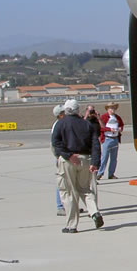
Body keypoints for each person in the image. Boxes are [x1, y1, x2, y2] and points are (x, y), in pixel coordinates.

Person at [51, 99, 104, 233]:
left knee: (68, 192)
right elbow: (96, 145)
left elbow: (56, 143)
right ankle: (94, 212)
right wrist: (95, 162)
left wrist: (68, 155)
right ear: (78, 110)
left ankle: (72, 225)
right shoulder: (87, 124)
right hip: (85, 159)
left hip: (68, 161)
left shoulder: (60, 124)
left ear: (66, 110)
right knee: (85, 189)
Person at [97, 102, 124, 180]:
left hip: (115, 139)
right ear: (107, 109)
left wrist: (120, 129)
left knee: (114, 158)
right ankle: (100, 173)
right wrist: (109, 129)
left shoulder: (117, 117)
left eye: (114, 108)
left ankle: (111, 174)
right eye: (111, 108)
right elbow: (101, 128)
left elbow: (121, 125)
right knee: (104, 157)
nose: (113, 110)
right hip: (107, 139)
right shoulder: (104, 117)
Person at [83, 105, 102, 203]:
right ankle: (89, 204)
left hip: (93, 150)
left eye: (92, 110)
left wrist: (98, 118)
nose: (91, 112)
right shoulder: (82, 121)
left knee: (93, 183)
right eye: (89, 110)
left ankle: (94, 205)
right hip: (84, 153)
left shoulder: (96, 121)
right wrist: (86, 116)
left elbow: (103, 128)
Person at [51, 104, 66, 215]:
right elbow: (54, 144)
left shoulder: (63, 124)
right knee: (61, 182)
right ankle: (60, 206)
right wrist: (58, 156)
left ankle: (69, 205)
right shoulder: (57, 125)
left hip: (66, 155)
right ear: (60, 115)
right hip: (61, 156)